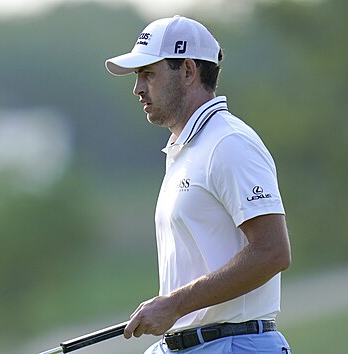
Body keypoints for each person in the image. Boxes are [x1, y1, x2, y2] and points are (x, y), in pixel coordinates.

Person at [105, 15, 292, 353]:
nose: (138, 88)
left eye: (148, 73)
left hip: (235, 344)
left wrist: (174, 305)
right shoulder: (186, 150)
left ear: (188, 71)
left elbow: (272, 251)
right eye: (137, 76)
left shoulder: (229, 143)